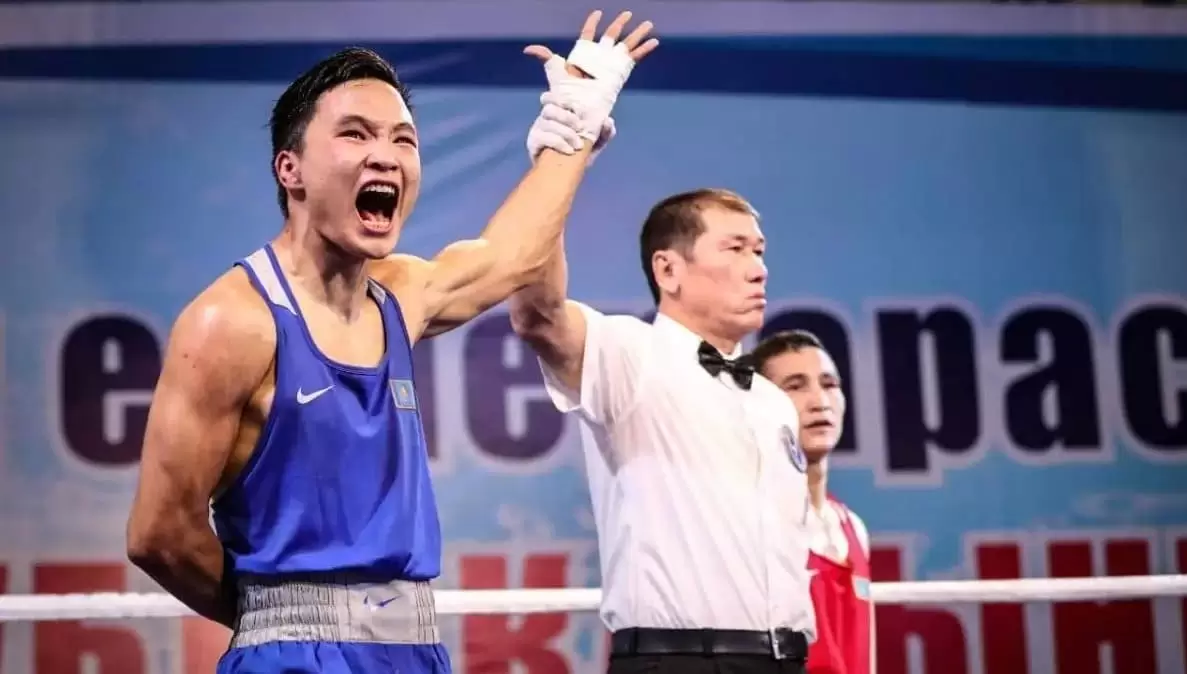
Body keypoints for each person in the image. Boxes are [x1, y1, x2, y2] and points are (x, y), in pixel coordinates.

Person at [124, 11, 658, 674]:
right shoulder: (231, 321)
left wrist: (573, 120)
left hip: (413, 649)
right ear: (290, 169)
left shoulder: (401, 294)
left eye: (403, 139)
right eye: (356, 134)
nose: (386, 155)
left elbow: (513, 256)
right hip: (292, 657)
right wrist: (280, 621)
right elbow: (160, 534)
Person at [508, 188, 815, 674]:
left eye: (759, 252)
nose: (759, 270)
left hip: (784, 660)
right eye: (735, 249)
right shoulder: (632, 355)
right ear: (668, 270)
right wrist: (560, 163)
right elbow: (539, 315)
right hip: (677, 661)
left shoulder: (773, 402)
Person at [749, 330, 873, 674]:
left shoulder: (854, 528)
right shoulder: (754, 523)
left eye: (829, 384)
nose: (819, 401)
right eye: (795, 386)